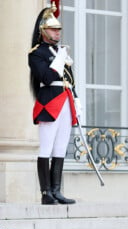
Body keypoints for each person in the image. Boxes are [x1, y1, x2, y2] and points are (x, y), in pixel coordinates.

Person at [28, 1, 77, 205]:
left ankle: (56, 190)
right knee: (46, 148)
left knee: (60, 147)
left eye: (58, 30)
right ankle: (46, 192)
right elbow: (47, 78)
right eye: (53, 29)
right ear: (43, 31)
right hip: (49, 103)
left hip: (65, 100)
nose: (57, 33)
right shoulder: (37, 53)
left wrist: (77, 101)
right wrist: (60, 58)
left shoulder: (59, 52)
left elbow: (70, 80)